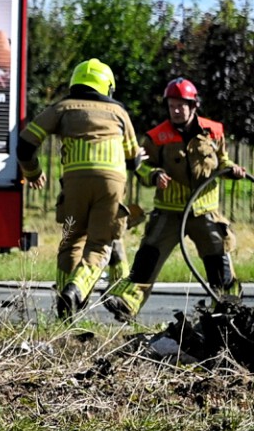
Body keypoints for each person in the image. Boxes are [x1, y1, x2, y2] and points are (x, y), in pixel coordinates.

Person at [105, 78, 247, 320]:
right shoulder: (156, 136)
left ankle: (228, 309)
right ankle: (127, 305)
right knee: (148, 257)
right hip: (169, 212)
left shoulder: (213, 131)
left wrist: (232, 169)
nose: (176, 111)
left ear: (194, 106)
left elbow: (222, 161)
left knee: (218, 260)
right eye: (172, 106)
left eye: (181, 106)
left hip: (205, 211)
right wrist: (154, 174)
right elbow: (141, 166)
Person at [17, 58, 141, 318]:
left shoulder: (62, 108)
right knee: (99, 244)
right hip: (111, 184)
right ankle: (77, 289)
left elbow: (25, 144)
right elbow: (133, 159)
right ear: (107, 87)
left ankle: (65, 309)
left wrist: (33, 172)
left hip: (74, 183)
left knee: (71, 240)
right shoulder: (119, 112)